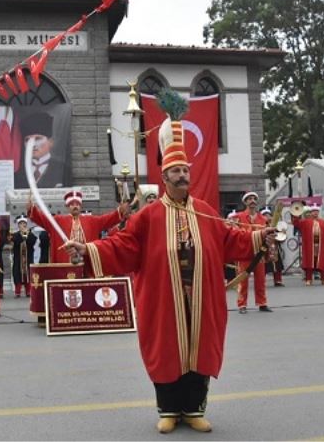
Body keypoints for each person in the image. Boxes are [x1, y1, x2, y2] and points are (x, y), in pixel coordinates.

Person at [62, 112, 276, 434]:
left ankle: (193, 409)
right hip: (164, 296)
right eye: (175, 171)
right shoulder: (147, 216)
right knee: (165, 348)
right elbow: (123, 245)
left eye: (185, 170)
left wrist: (260, 236)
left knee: (200, 348)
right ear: (164, 177)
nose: (182, 176)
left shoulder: (205, 211)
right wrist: (90, 249)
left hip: (202, 296)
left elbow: (231, 239)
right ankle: (168, 410)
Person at [27, 190, 127, 278]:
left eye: (77, 204)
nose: (75, 206)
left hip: (87, 264)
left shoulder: (91, 220)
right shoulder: (58, 220)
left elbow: (107, 219)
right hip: (65, 264)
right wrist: (32, 210)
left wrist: (119, 211)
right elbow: (43, 219)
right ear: (67, 206)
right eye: (72, 204)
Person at [234, 192, 272, 313]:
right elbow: (235, 234)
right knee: (243, 280)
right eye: (249, 199)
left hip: (259, 253)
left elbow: (269, 234)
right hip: (245, 253)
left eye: (254, 199)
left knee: (260, 280)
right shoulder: (238, 217)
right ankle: (242, 305)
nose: (252, 201)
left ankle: (262, 303)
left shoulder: (263, 219)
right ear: (245, 202)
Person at [13, 110, 68, 189]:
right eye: (27, 140)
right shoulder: (18, 170)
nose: (32, 145)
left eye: (38, 139)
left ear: (51, 142)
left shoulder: (64, 169)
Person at [291, 204, 324, 285]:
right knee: (309, 263)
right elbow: (296, 224)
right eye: (314, 211)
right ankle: (309, 279)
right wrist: (296, 214)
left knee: (322, 263)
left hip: (321, 247)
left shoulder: (322, 222)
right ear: (311, 212)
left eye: (317, 211)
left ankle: (323, 279)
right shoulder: (306, 221)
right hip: (309, 247)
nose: (315, 213)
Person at [11, 214, 36, 298]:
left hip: (28, 258)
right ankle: (17, 291)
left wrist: (26, 234)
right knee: (17, 273)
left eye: (24, 223)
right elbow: (17, 241)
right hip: (18, 259)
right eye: (21, 223)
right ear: (18, 225)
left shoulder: (31, 234)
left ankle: (28, 291)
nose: (23, 225)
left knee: (28, 273)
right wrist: (23, 235)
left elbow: (32, 242)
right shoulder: (15, 235)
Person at [261, 206, 285, 287]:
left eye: (269, 215)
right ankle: (261, 281)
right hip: (265, 247)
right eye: (265, 215)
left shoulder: (275, 225)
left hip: (275, 247)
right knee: (263, 266)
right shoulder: (260, 225)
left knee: (277, 264)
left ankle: (278, 280)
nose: (267, 217)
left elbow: (281, 236)